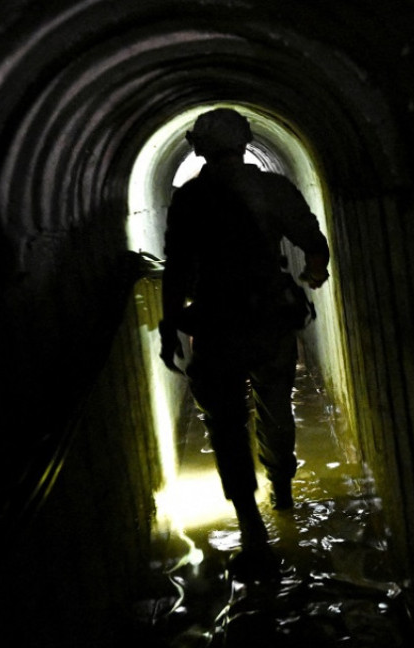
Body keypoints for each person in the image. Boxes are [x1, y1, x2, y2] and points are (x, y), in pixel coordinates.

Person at [159, 108, 330, 578]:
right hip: (269, 320)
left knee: (225, 424)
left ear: (200, 148)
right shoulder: (274, 189)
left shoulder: (190, 198)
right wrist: (312, 276)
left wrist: (169, 326)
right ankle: (282, 489)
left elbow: (175, 268)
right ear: (245, 141)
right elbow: (314, 242)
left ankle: (252, 529)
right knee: (277, 406)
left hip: (214, 325)